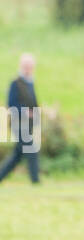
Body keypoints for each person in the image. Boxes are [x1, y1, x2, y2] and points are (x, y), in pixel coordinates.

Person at [0, 53, 40, 185]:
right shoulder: (15, 83)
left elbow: (33, 103)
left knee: (17, 156)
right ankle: (36, 181)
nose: (28, 69)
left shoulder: (30, 83)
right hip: (18, 123)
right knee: (31, 149)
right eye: (26, 66)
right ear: (21, 66)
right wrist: (25, 112)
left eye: (30, 66)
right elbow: (11, 104)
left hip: (27, 125)